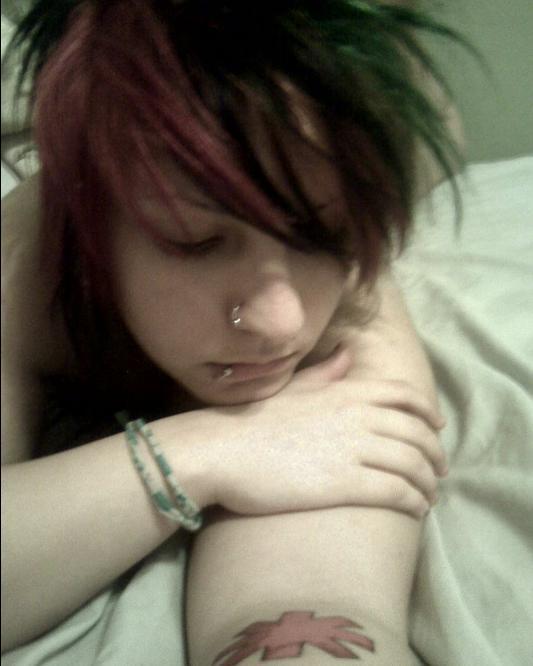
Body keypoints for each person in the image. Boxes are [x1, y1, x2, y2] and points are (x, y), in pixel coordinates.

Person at [1, 0, 463, 663]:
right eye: (194, 242)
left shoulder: (353, 292)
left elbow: (306, 610)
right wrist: (203, 452)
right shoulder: (22, 271)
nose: (282, 325)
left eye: (322, 236)